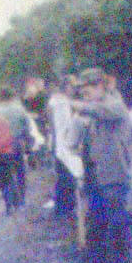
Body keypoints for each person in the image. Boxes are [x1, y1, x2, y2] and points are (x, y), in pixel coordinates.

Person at [69, 68, 132, 263]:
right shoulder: (93, 111)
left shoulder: (114, 104)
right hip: (95, 177)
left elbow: (109, 111)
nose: (84, 95)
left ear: (101, 86)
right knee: (96, 224)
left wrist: (80, 106)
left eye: (88, 90)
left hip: (114, 177)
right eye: (82, 92)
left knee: (117, 226)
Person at [47, 75, 82, 218]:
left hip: (58, 142)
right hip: (63, 143)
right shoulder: (61, 103)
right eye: (73, 87)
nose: (75, 90)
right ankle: (65, 209)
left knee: (63, 176)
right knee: (67, 177)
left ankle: (62, 207)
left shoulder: (55, 101)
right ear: (66, 86)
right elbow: (66, 126)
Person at [0, 87, 31, 205]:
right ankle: (22, 198)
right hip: (18, 142)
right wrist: (27, 140)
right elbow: (27, 126)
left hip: (3, 145)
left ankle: (12, 199)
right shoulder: (19, 109)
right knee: (20, 170)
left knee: (9, 172)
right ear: (12, 96)